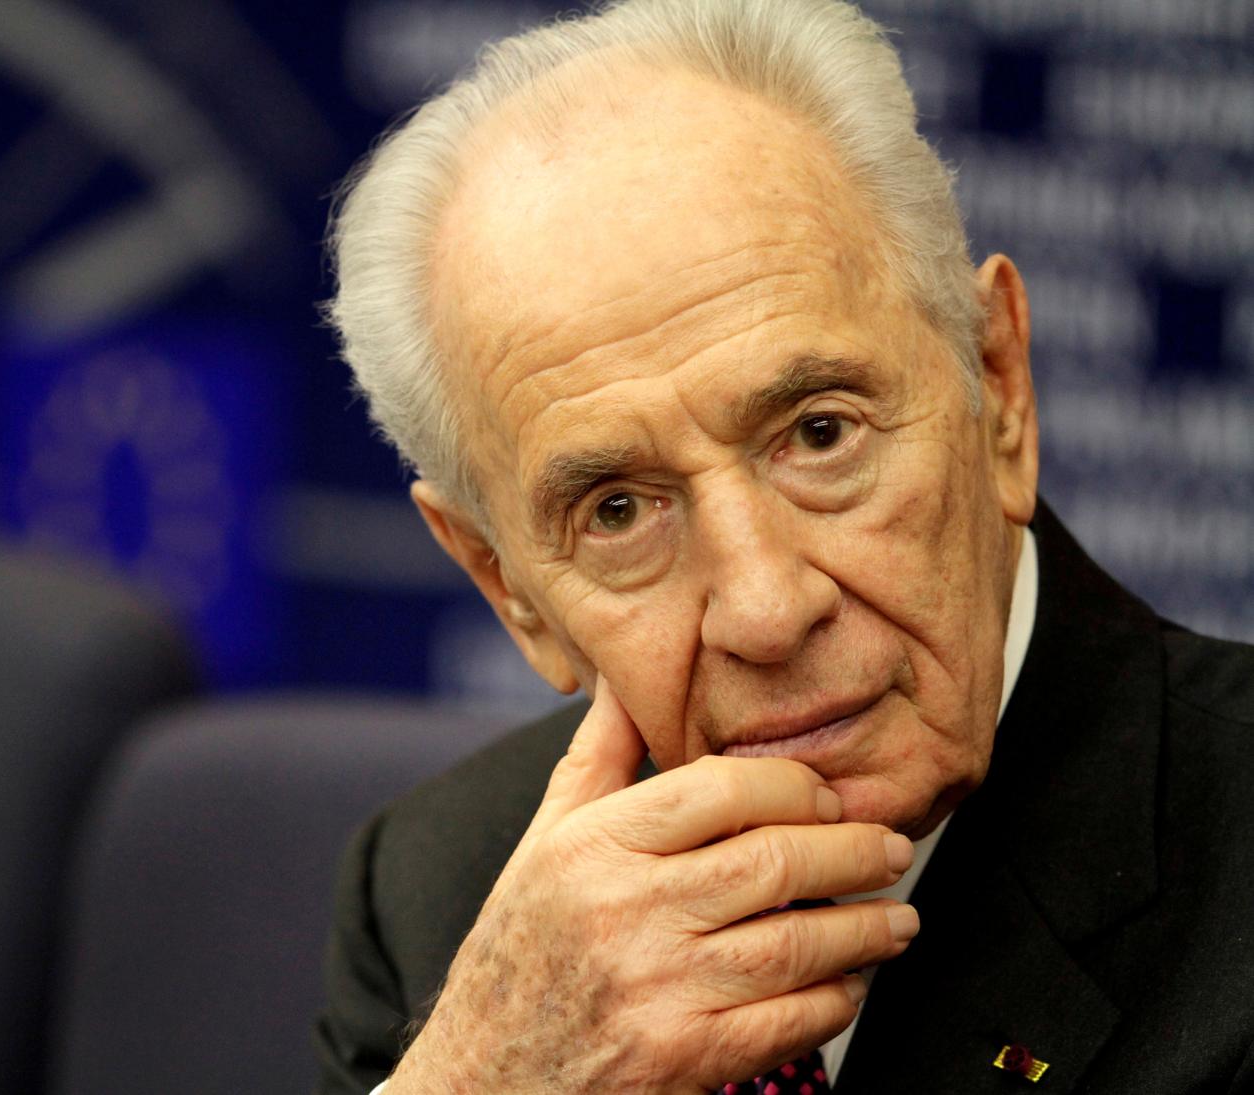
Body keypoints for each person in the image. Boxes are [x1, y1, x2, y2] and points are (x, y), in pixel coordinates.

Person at [316, 1, 1254, 1091]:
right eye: (619, 509)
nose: (766, 607)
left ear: (995, 388)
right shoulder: (446, 907)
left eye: (820, 435)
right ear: (507, 586)